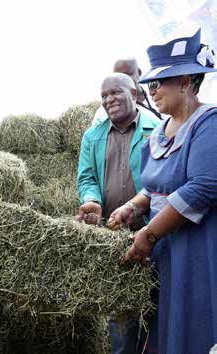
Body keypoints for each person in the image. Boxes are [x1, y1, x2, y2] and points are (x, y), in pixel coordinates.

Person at [107, 29, 217, 354]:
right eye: (149, 83)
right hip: (163, 248)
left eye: (159, 82)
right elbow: (155, 187)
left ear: (185, 82)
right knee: (161, 329)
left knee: (193, 323)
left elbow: (202, 187)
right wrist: (134, 205)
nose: (151, 90)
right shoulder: (158, 132)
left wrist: (150, 234)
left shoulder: (208, 124)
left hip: (195, 247)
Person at [77, 72, 159, 354]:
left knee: (157, 311)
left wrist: (137, 208)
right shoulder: (93, 136)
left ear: (134, 94)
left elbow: (160, 183)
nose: (109, 99)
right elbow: (86, 178)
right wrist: (92, 200)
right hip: (115, 237)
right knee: (122, 318)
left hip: (153, 232)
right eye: (104, 95)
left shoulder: (156, 129)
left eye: (115, 92)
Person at [92, 57, 161, 127]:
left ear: (139, 72)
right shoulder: (104, 113)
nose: (123, 80)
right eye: (117, 77)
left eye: (127, 74)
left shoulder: (159, 96)